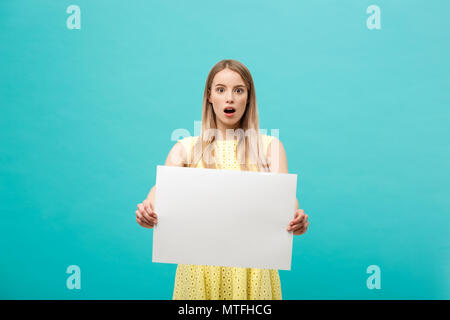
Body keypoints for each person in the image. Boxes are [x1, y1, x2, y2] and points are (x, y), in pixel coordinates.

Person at [135, 59, 309, 299]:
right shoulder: (185, 148)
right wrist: (147, 208)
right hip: (199, 274)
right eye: (221, 90)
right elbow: (160, 190)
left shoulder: (270, 148)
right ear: (209, 96)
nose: (230, 98)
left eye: (238, 90)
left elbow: (287, 200)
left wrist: (296, 219)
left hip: (253, 274)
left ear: (248, 97)